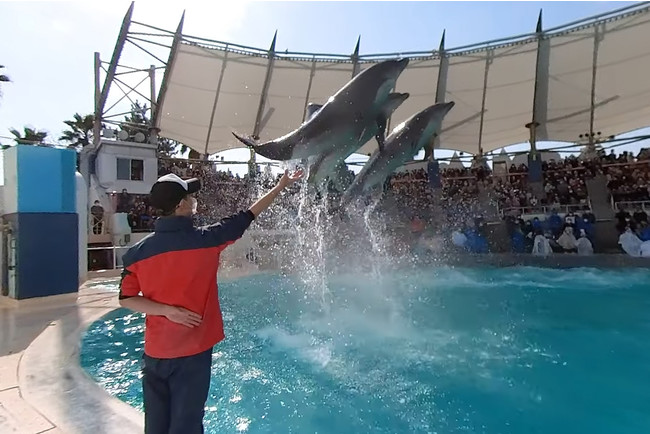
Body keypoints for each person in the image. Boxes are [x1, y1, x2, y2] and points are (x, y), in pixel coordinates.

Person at [118, 169, 303, 434]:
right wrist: (280, 185)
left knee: (156, 425)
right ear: (181, 205)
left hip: (155, 353)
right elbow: (248, 216)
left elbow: (126, 299)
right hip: (192, 352)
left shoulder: (137, 253)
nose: (195, 200)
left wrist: (166, 311)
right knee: (187, 424)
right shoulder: (206, 240)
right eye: (190, 197)